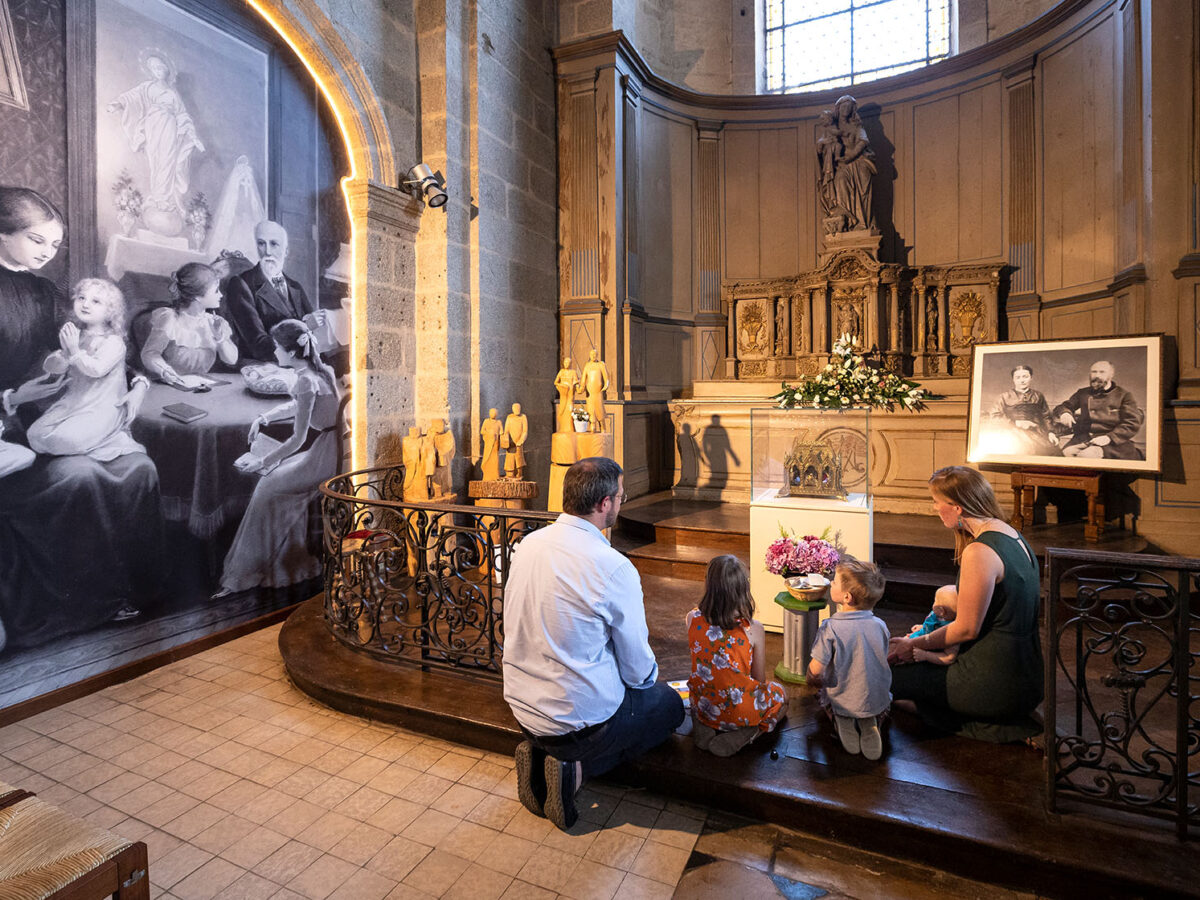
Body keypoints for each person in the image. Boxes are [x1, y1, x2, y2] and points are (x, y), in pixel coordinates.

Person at [0, 187, 165, 646]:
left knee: (138, 467)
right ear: (2, 232)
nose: (48, 254)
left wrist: (138, 384)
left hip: (55, 415)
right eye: (37, 241)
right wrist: (10, 398)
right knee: (80, 478)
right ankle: (85, 606)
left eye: (54, 246)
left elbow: (101, 348)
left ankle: (137, 593)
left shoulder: (46, 292)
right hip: (10, 433)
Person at [503, 457, 684, 830]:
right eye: (620, 495)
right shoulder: (612, 565)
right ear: (605, 504)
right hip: (578, 722)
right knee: (668, 706)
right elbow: (638, 672)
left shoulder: (525, 545)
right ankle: (577, 769)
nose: (621, 501)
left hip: (521, 707)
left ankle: (542, 755)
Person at [890, 466, 1043, 743]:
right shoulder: (1009, 533)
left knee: (885, 680)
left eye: (937, 502)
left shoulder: (980, 551)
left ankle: (1001, 723)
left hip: (994, 681)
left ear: (957, 507)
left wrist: (914, 644)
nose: (935, 507)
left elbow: (966, 630)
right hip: (1027, 673)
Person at [216, 319, 339, 596]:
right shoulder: (320, 371)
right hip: (332, 446)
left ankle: (248, 573)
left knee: (267, 487)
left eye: (277, 348)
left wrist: (262, 461)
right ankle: (285, 567)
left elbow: (297, 439)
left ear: (292, 353)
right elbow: (301, 405)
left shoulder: (307, 379)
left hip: (327, 455)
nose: (274, 352)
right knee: (274, 480)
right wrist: (264, 417)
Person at [26, 278, 149, 462]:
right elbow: (53, 368)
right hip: (74, 403)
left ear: (110, 311)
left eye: (95, 301)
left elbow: (96, 370)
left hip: (102, 407)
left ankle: (108, 438)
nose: (85, 304)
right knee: (34, 434)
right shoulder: (76, 335)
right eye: (81, 298)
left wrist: (74, 351)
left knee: (67, 440)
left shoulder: (113, 342)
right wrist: (64, 355)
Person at [686, 555, 787, 756]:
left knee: (705, 692)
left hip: (704, 705)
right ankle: (748, 733)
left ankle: (703, 725)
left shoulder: (692, 618)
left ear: (708, 585)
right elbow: (758, 679)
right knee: (782, 696)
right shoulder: (753, 629)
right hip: (738, 713)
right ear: (743, 590)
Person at [106, 50, 204, 226]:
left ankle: (163, 198)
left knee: (168, 160)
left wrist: (192, 136)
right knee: (156, 162)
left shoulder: (174, 94)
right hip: (152, 124)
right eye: (154, 68)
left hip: (170, 126)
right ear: (150, 71)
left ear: (167, 70)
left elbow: (182, 114)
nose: (158, 70)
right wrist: (117, 104)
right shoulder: (147, 87)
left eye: (160, 67)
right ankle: (158, 197)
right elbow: (131, 97)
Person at [807, 557, 891, 760]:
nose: (831, 583)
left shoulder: (831, 627)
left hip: (843, 698)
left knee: (821, 691)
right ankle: (871, 721)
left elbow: (816, 670)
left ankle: (840, 719)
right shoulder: (880, 625)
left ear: (847, 597)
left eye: (834, 581)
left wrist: (810, 677)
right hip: (876, 698)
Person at [225, 220, 316, 361]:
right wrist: (306, 328)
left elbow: (314, 327)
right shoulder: (241, 284)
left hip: (300, 363)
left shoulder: (295, 286)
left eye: (274, 244)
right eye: (261, 243)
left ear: (286, 251)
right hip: (265, 366)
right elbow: (257, 344)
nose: (267, 252)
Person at [140, 262, 238, 384]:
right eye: (216, 290)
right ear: (197, 297)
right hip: (167, 385)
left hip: (201, 388)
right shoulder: (170, 319)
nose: (221, 295)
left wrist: (219, 338)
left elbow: (232, 360)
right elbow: (149, 354)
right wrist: (166, 371)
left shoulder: (214, 322)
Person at [1053, 360, 1145, 460]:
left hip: (1112, 443)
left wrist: (1109, 437)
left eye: (1102, 372)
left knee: (1086, 456)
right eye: (1094, 372)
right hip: (1084, 438)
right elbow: (1063, 406)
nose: (1097, 375)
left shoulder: (1124, 395)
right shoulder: (1083, 393)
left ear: (1111, 374)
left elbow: (1132, 422)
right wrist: (1065, 413)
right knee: (1065, 454)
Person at [987, 365, 1061, 457]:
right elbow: (995, 417)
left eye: (1025, 377)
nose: (1022, 380)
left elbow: (1046, 416)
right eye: (1018, 377)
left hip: (1036, 432)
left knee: (1052, 452)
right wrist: (1016, 423)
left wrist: (1051, 432)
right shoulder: (1004, 396)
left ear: (1031, 378)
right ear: (1013, 379)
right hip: (1011, 432)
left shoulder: (1038, 396)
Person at [830, 95, 876, 233]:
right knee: (840, 180)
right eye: (843, 106)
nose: (846, 109)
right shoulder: (833, 127)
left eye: (849, 107)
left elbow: (863, 141)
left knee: (863, 178)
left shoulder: (857, 126)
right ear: (838, 109)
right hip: (843, 165)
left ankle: (863, 223)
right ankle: (848, 222)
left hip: (859, 160)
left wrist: (852, 155)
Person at [903, 585, 960, 665]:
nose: (933, 603)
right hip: (920, 637)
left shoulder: (951, 631)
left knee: (900, 652)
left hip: (923, 651)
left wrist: (925, 655)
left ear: (941, 610)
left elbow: (949, 658)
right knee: (899, 643)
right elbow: (933, 625)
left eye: (935, 601)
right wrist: (923, 627)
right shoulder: (939, 615)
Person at [581, 350, 609, 433]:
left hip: (598, 392)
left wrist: (605, 385)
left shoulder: (601, 365)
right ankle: (592, 426)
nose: (593, 355)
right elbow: (583, 380)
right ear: (589, 355)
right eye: (592, 354)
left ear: (597, 355)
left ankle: (602, 426)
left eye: (595, 354)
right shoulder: (587, 366)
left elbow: (606, 378)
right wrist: (581, 388)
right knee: (590, 410)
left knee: (599, 409)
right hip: (589, 393)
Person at [553, 357, 579, 433]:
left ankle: (570, 429)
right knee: (562, 410)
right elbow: (556, 382)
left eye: (568, 363)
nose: (566, 364)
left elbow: (575, 383)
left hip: (570, 395)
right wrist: (562, 385)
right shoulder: (561, 372)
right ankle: (563, 428)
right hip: (563, 394)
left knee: (569, 410)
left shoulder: (573, 372)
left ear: (570, 364)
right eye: (565, 362)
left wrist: (576, 387)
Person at [503, 402, 527, 479]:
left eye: (518, 408)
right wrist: (506, 440)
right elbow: (506, 430)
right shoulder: (509, 417)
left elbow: (525, 431)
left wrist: (521, 440)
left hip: (518, 443)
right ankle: (510, 474)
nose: (517, 410)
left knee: (519, 460)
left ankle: (519, 474)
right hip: (511, 443)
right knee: (510, 459)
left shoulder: (523, 417)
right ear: (513, 409)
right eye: (516, 408)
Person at [479, 408, 502, 480]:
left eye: (495, 413)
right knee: (487, 459)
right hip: (488, 443)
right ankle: (487, 476)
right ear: (489, 413)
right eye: (492, 412)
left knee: (495, 461)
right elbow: (482, 431)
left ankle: (495, 476)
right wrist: (489, 433)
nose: (493, 414)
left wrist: (497, 435)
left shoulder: (499, 422)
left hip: (495, 444)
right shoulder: (486, 421)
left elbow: (502, 432)